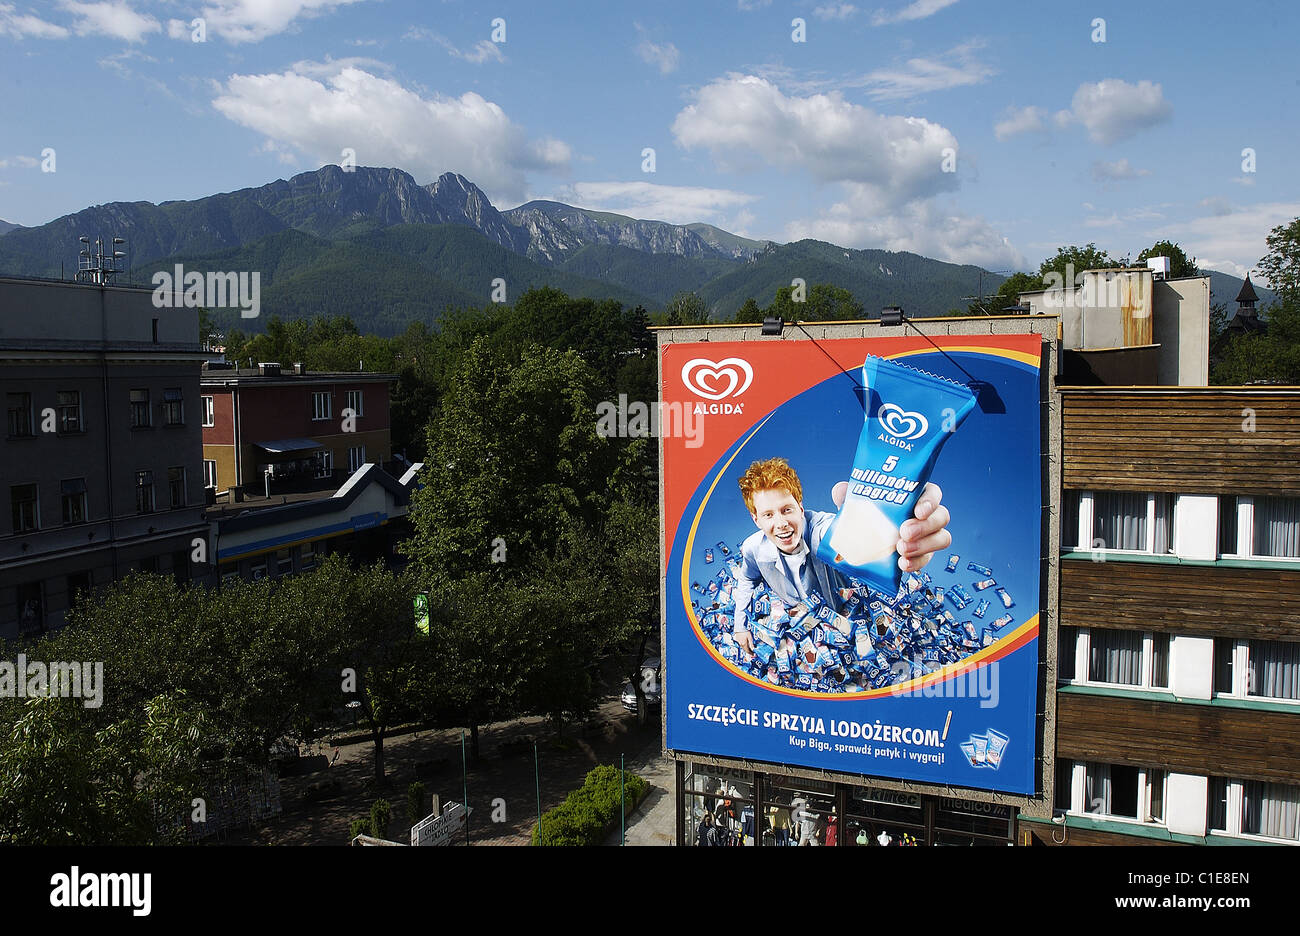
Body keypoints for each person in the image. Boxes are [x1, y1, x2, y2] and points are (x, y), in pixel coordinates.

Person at [731, 457, 952, 654]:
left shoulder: (821, 532)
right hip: (798, 627)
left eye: (786, 509)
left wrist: (897, 517)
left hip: (845, 617)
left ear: (800, 506)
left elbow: (843, 533)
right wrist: (740, 626)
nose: (780, 524)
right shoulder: (753, 549)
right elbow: (747, 579)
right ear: (756, 519)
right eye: (768, 514)